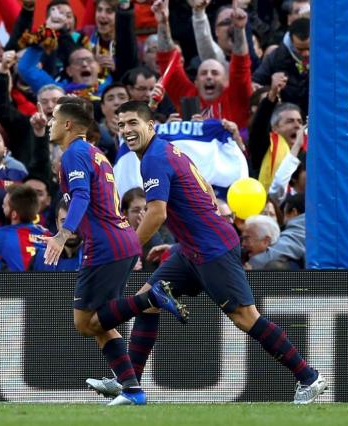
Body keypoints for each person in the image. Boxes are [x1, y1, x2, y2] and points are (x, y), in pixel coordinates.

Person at [96, 100, 327, 404]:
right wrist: (179, 243)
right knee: (148, 299)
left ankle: (309, 378)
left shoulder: (154, 158)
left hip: (212, 249)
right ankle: (130, 386)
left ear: (151, 126)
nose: (127, 129)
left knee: (246, 317)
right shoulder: (163, 151)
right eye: (122, 124)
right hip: (191, 248)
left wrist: (128, 249)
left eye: (133, 123)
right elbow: (199, 197)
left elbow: (157, 214)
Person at [42, 97, 184, 406]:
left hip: (106, 245)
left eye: (53, 119)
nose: (49, 124)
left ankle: (152, 297)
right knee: (101, 323)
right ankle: (132, 391)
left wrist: (62, 234)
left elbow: (79, 196)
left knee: (84, 323)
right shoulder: (96, 154)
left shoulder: (74, 154)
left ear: (68, 125)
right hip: (122, 240)